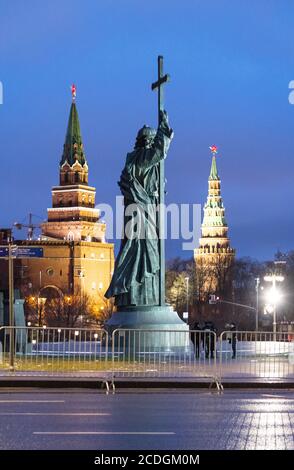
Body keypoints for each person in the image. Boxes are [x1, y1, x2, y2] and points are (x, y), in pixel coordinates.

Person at [105, 110, 173, 307]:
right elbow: (159, 153)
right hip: (142, 213)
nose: (151, 144)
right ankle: (139, 294)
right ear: (147, 141)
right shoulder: (140, 158)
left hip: (141, 211)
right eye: (151, 140)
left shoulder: (137, 161)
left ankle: (139, 294)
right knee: (145, 250)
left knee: (142, 249)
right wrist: (164, 130)